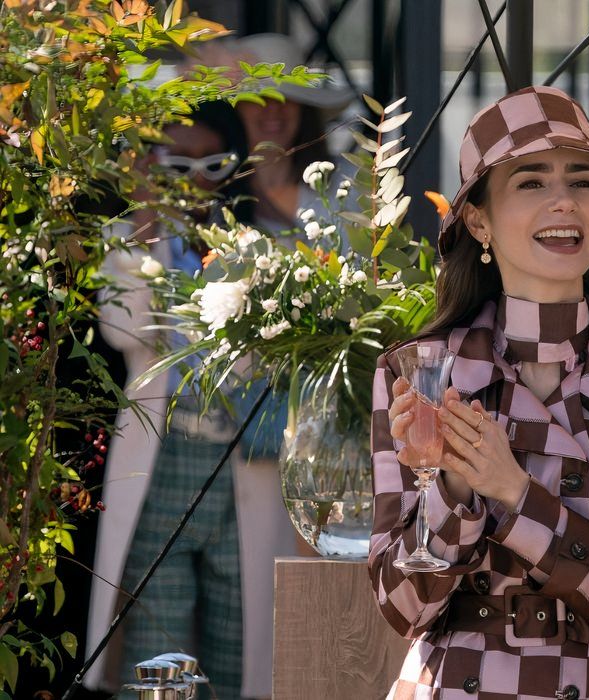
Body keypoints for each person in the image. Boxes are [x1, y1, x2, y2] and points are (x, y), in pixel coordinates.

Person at [368, 86, 589, 699]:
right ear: (478, 220)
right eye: (530, 183)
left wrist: (516, 495)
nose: (564, 203)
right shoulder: (418, 373)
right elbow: (401, 607)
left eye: (582, 182)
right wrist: (456, 486)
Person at [88, 101, 299, 700]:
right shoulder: (128, 241)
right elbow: (124, 333)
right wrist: (143, 232)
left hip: (245, 469)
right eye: (175, 163)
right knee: (161, 655)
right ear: (150, 166)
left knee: (243, 646)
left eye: (212, 162)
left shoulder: (265, 244)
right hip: (162, 467)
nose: (193, 179)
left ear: (236, 166)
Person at [230, 33, 352, 229]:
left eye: (286, 98)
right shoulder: (209, 194)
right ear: (234, 110)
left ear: (303, 109)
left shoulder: (349, 183)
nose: (274, 109)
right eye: (260, 98)